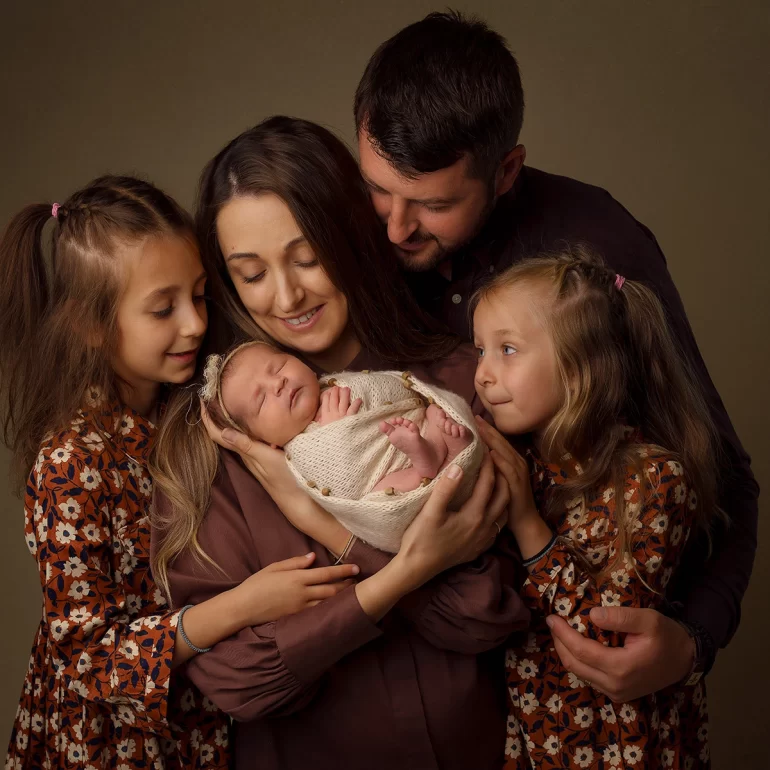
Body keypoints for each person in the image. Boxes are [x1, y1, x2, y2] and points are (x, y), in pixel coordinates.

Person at [354, 10, 758, 699]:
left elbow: (722, 477)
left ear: (506, 170)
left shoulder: (599, 243)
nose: (393, 226)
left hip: (584, 694)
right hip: (430, 682)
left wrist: (694, 642)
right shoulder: (351, 239)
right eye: (378, 188)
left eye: (431, 204)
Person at [149, 115, 528, 770]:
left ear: (350, 235)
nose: (288, 294)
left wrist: (326, 528)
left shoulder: (459, 383)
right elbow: (236, 681)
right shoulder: (220, 445)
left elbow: (485, 616)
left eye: (306, 256)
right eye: (251, 272)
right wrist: (405, 571)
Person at [0, 175, 357, 769]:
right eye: (163, 309)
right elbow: (85, 659)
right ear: (90, 325)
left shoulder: (193, 407)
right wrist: (243, 606)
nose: (194, 323)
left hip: (205, 722)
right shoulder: (70, 460)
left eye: (198, 295)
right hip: (112, 744)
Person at [473, 248, 718, 767]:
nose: (484, 374)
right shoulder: (527, 465)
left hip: (620, 746)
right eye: (480, 352)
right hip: (537, 739)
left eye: (508, 350)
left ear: (579, 367)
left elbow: (606, 634)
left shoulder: (654, 481)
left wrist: (526, 523)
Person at [198, 340, 480, 551]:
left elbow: (395, 390)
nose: (279, 383)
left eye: (279, 366)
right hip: (409, 496)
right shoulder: (300, 451)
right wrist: (336, 433)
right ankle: (425, 465)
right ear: (265, 442)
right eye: (261, 400)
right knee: (382, 494)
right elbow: (346, 486)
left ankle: (449, 448)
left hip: (420, 432)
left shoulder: (336, 382)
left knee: (433, 411)